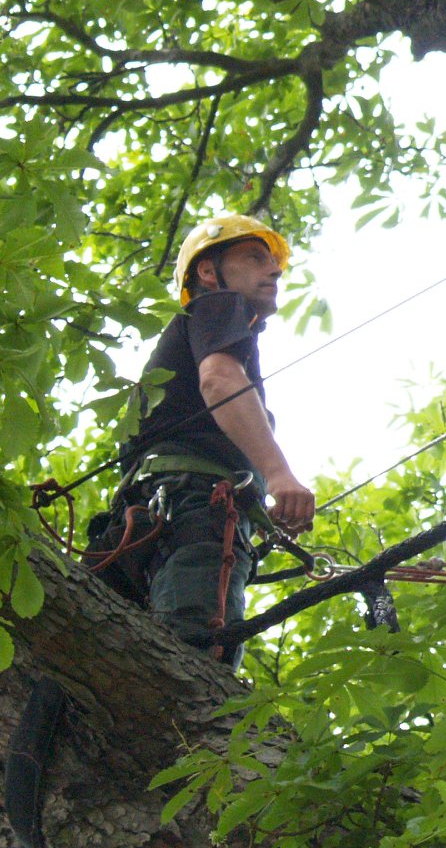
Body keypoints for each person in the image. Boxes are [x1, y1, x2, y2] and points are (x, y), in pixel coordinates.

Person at [114, 214, 314, 665]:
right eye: (254, 257)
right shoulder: (217, 305)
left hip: (141, 522)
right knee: (195, 662)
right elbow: (219, 381)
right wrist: (279, 474)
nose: (274, 270)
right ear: (208, 272)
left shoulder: (189, 337)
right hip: (197, 510)